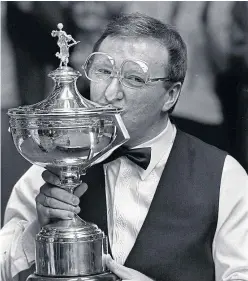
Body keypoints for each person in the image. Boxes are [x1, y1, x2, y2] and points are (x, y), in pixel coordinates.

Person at [1, 13, 248, 281]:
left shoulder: (224, 176)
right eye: (104, 72)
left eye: (134, 78)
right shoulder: (53, 165)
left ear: (171, 95)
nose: (110, 94)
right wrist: (37, 229)